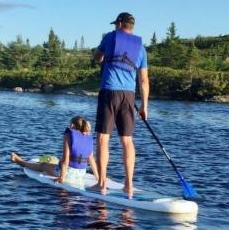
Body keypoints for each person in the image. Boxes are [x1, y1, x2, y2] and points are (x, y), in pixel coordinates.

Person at [92, 12, 149, 197]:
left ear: (118, 24)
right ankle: (129, 185)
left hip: (109, 91)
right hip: (129, 96)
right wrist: (144, 106)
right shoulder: (141, 48)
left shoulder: (109, 38)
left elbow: (97, 57)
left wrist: (102, 58)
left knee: (103, 138)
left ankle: (101, 184)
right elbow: (144, 80)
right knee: (127, 140)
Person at [10, 116, 99, 189]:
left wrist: (62, 178)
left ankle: (21, 162)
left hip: (68, 173)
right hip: (81, 173)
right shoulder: (88, 137)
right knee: (56, 163)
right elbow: (91, 159)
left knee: (43, 165)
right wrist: (98, 177)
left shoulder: (68, 135)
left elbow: (66, 159)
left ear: (72, 125)